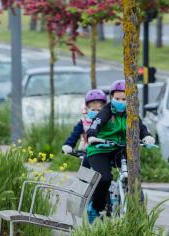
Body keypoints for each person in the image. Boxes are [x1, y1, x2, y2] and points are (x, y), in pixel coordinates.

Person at [86, 80, 155, 222]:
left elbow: (140, 127)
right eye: (117, 99)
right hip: (100, 148)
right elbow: (97, 123)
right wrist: (92, 135)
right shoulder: (106, 110)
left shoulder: (132, 113)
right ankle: (96, 206)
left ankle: (139, 215)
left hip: (121, 149)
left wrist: (147, 136)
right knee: (104, 178)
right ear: (111, 98)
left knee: (133, 178)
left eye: (124, 99)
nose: (120, 102)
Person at [62, 89, 108, 168]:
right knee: (86, 166)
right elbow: (74, 134)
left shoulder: (108, 121)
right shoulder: (84, 122)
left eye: (99, 110)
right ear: (87, 109)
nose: (96, 112)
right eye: (93, 110)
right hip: (87, 149)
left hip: (105, 149)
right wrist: (68, 145)